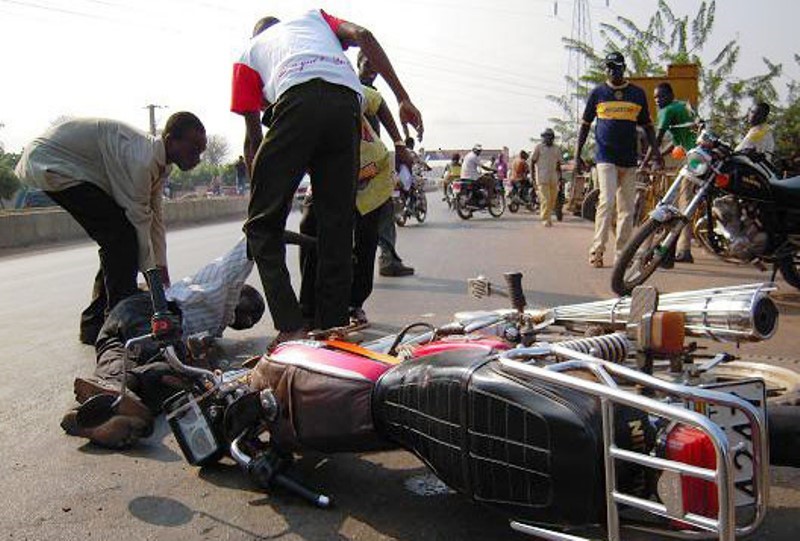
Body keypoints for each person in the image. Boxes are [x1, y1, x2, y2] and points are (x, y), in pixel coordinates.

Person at [231, 10, 423, 346]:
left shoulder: (249, 55)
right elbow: (363, 33)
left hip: (297, 101)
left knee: (261, 226)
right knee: (337, 226)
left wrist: (260, 197)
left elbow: (253, 139)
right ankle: (333, 330)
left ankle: (291, 325)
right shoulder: (315, 19)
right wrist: (403, 97)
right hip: (347, 103)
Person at [14, 113, 207, 344]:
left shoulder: (159, 164)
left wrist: (161, 265)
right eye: (194, 149)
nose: (198, 158)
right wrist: (155, 285)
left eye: (201, 151)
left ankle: (94, 323)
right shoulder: (141, 161)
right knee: (121, 237)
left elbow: (155, 218)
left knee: (119, 239)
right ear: (171, 139)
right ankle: (118, 321)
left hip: (69, 165)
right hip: (52, 162)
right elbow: (140, 223)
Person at [60, 239, 266, 449]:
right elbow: (250, 242)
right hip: (151, 313)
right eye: (254, 311)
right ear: (240, 292)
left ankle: (91, 415)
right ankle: (116, 391)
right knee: (179, 372)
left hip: (117, 322)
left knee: (130, 364)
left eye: (253, 320)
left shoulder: (217, 326)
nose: (250, 321)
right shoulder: (220, 287)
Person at [299, 82, 414, 327]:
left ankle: (354, 304)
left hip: (371, 177)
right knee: (309, 227)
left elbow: (379, 101)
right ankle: (307, 309)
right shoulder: (294, 107)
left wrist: (399, 143)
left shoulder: (344, 89)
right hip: (328, 179)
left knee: (365, 243)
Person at [575, 51, 662, 268]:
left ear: (624, 68)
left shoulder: (637, 94)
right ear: (606, 69)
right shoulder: (598, 93)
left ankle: (622, 253)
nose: (613, 71)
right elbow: (585, 126)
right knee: (607, 201)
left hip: (629, 160)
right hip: (605, 158)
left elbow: (648, 127)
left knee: (627, 209)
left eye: (617, 67)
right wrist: (577, 156)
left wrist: (656, 152)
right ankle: (597, 249)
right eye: (609, 67)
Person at [356, 49, 418, 277]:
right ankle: (387, 259)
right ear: (358, 63)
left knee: (377, 216)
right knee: (380, 214)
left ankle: (385, 258)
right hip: (363, 168)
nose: (372, 70)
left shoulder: (366, 92)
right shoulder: (358, 91)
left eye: (375, 67)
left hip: (369, 166)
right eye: (367, 64)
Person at [641, 82, 697, 264]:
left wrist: (646, 161)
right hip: (697, 157)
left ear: (671, 95)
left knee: (675, 202)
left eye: (661, 96)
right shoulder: (682, 106)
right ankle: (681, 247)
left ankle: (674, 249)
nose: (658, 100)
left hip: (690, 159)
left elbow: (655, 138)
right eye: (655, 97)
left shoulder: (667, 110)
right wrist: (658, 155)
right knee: (684, 202)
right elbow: (677, 142)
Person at [530, 128, 563, 227]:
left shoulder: (556, 149)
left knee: (553, 200)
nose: (548, 138)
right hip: (542, 177)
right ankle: (545, 219)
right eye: (546, 136)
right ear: (543, 137)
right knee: (546, 200)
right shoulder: (538, 148)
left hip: (553, 177)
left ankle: (548, 217)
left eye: (550, 136)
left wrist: (560, 177)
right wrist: (532, 176)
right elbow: (532, 161)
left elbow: (558, 164)